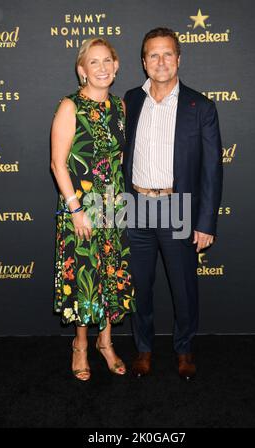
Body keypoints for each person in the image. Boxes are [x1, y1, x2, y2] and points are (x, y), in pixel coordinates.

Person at [123, 28, 223, 380]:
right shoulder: (131, 99)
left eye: (168, 54)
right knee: (139, 286)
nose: (161, 61)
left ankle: (184, 350)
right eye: (153, 55)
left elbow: (211, 169)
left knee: (183, 286)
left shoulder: (201, 106)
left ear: (179, 58)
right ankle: (144, 350)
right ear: (143, 62)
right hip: (134, 202)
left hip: (177, 205)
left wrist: (206, 222)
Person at [51, 38, 135, 381]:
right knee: (85, 277)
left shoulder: (120, 107)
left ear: (116, 67)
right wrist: (75, 210)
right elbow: (58, 164)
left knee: (111, 274)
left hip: (112, 207)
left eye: (107, 61)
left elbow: (118, 158)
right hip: (80, 208)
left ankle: (106, 343)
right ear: (81, 70)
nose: (101, 68)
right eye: (93, 62)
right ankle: (81, 345)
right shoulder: (70, 107)